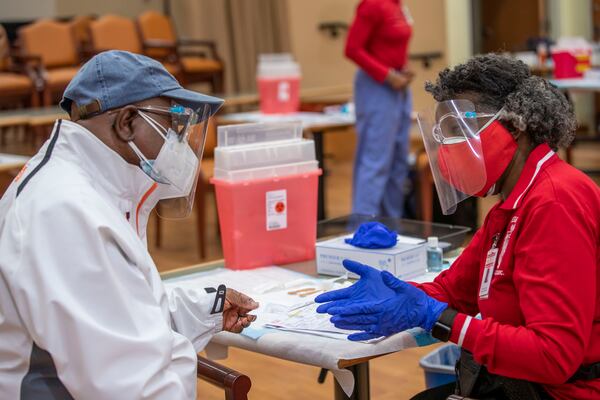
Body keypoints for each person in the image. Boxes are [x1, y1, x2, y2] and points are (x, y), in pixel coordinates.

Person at [316, 54, 600, 399]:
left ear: (515, 125)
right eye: (444, 134)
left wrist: (437, 317)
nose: (448, 148)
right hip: (519, 382)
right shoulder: (513, 203)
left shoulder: (555, 202)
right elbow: (454, 291)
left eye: (459, 130)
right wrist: (398, 293)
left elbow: (553, 356)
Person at [0, 50, 259, 399]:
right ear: (125, 123)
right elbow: (135, 385)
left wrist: (203, 310)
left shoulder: (89, 189)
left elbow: (114, 311)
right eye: (173, 125)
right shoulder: (66, 211)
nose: (178, 143)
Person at [345, 0, 414, 218]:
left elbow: (394, 45)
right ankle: (363, 227)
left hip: (400, 86)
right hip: (377, 87)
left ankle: (391, 227)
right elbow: (352, 49)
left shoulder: (398, 5)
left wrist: (405, 67)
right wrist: (386, 75)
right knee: (376, 161)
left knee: (398, 162)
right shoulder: (373, 5)